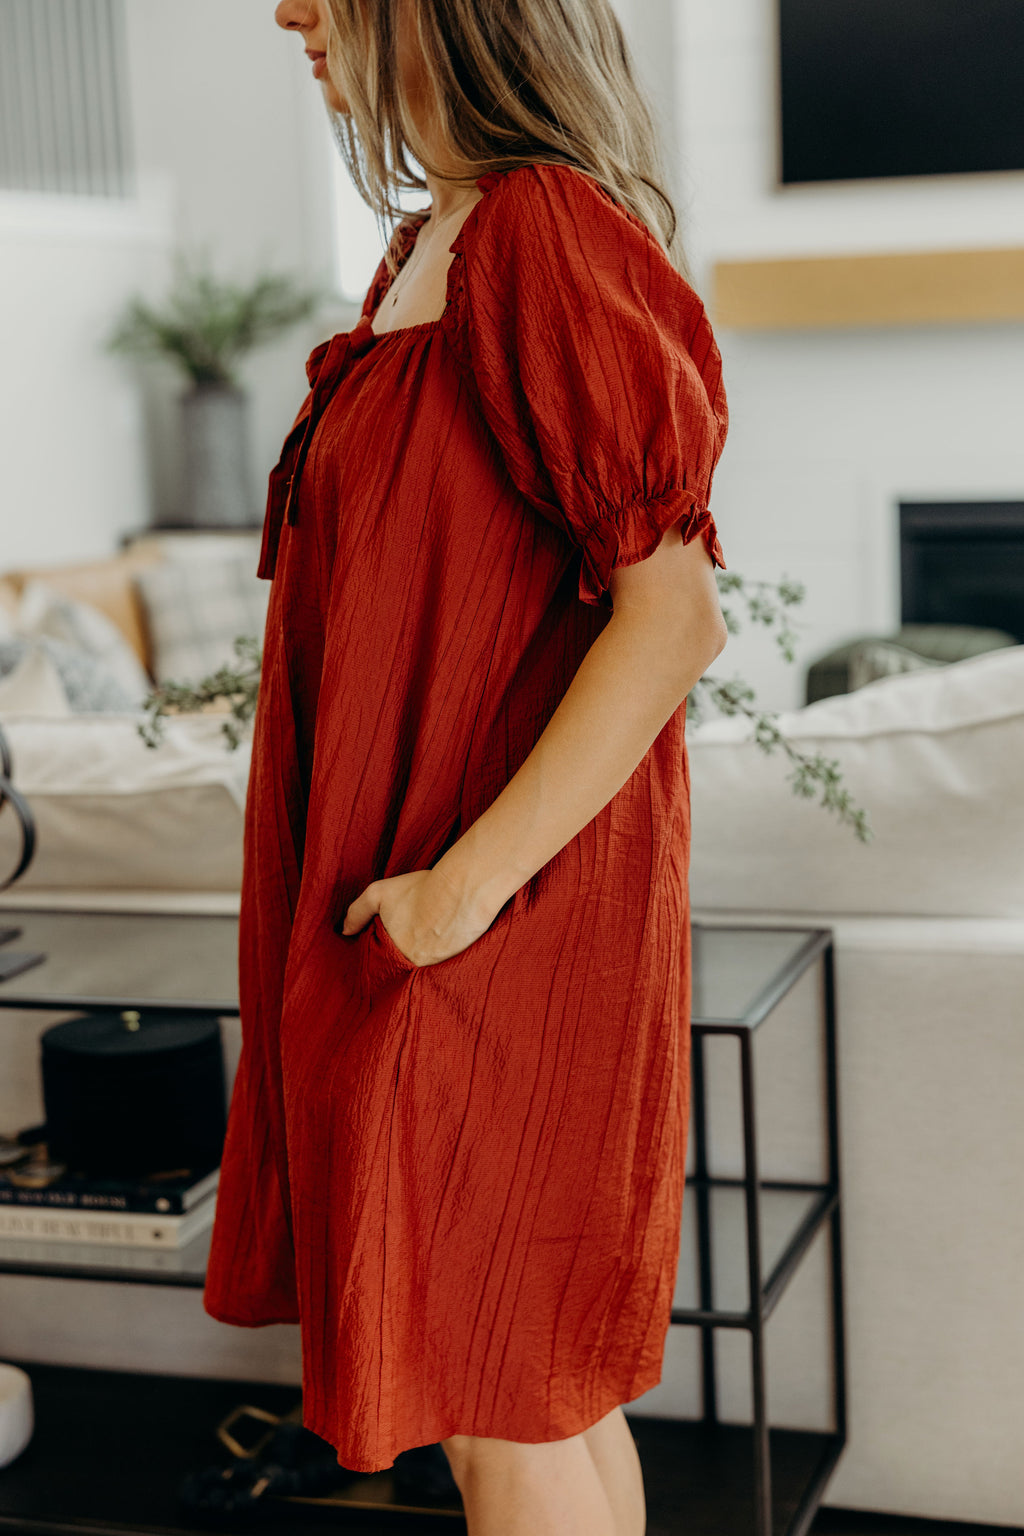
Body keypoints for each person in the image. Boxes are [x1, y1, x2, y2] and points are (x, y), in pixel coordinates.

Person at [202, 1, 730, 1532]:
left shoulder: (539, 232)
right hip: (425, 908)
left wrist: (456, 898)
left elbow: (673, 616)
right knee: (536, 1393)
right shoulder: (435, 245)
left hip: (483, 918)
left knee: (497, 1398)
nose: (290, 10)